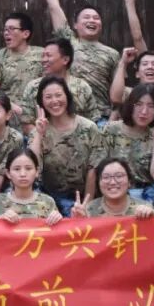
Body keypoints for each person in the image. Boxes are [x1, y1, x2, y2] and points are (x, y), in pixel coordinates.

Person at [35, 0, 120, 121]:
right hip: (65, 113)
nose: (92, 21)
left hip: (99, 117)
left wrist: (113, 118)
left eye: (96, 18)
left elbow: (117, 91)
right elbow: (54, 7)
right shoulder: (68, 43)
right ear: (75, 25)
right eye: (86, 18)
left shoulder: (112, 54)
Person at [28, 77, 104, 216]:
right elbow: (33, 167)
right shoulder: (38, 131)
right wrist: (39, 134)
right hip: (50, 201)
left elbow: (93, 170)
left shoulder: (89, 128)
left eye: (58, 95)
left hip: (83, 197)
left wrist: (86, 205)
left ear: (67, 96)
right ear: (41, 101)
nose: (54, 101)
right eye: (48, 97)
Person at [102, 84, 154, 211]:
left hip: (146, 199)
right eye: (139, 104)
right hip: (114, 193)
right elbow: (100, 168)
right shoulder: (111, 130)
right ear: (130, 105)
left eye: (151, 106)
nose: (144, 111)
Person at [19, 38, 99, 130]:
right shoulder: (33, 87)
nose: (44, 60)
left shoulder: (82, 87)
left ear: (65, 59)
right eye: (43, 56)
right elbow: (26, 124)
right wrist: (44, 136)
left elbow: (93, 120)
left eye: (48, 56)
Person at [0, 148, 62, 225]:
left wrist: (58, 220)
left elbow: (58, 231)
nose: (23, 174)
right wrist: (0, 222)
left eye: (28, 168)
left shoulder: (47, 202)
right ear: (8, 173)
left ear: (37, 172)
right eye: (17, 169)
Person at [0, 11, 44, 105]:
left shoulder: (42, 54)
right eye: (5, 29)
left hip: (36, 108)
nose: (6, 33)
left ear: (26, 34)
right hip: (9, 108)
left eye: (11, 29)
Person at [72, 158, 154, 218]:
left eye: (119, 176)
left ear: (129, 182)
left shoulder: (144, 207)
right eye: (106, 177)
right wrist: (78, 221)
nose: (112, 182)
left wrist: (152, 218)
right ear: (99, 182)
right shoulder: (88, 210)